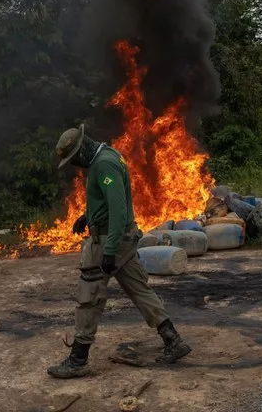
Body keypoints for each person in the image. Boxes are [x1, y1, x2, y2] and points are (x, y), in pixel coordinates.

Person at [47, 124, 191, 379]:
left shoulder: (104, 165)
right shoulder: (108, 155)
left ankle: (78, 360)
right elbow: (107, 200)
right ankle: (173, 341)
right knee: (140, 289)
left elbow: (119, 209)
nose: (74, 165)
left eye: (73, 159)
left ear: (81, 150)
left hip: (109, 240)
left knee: (88, 296)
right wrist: (87, 216)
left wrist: (109, 251)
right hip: (118, 237)